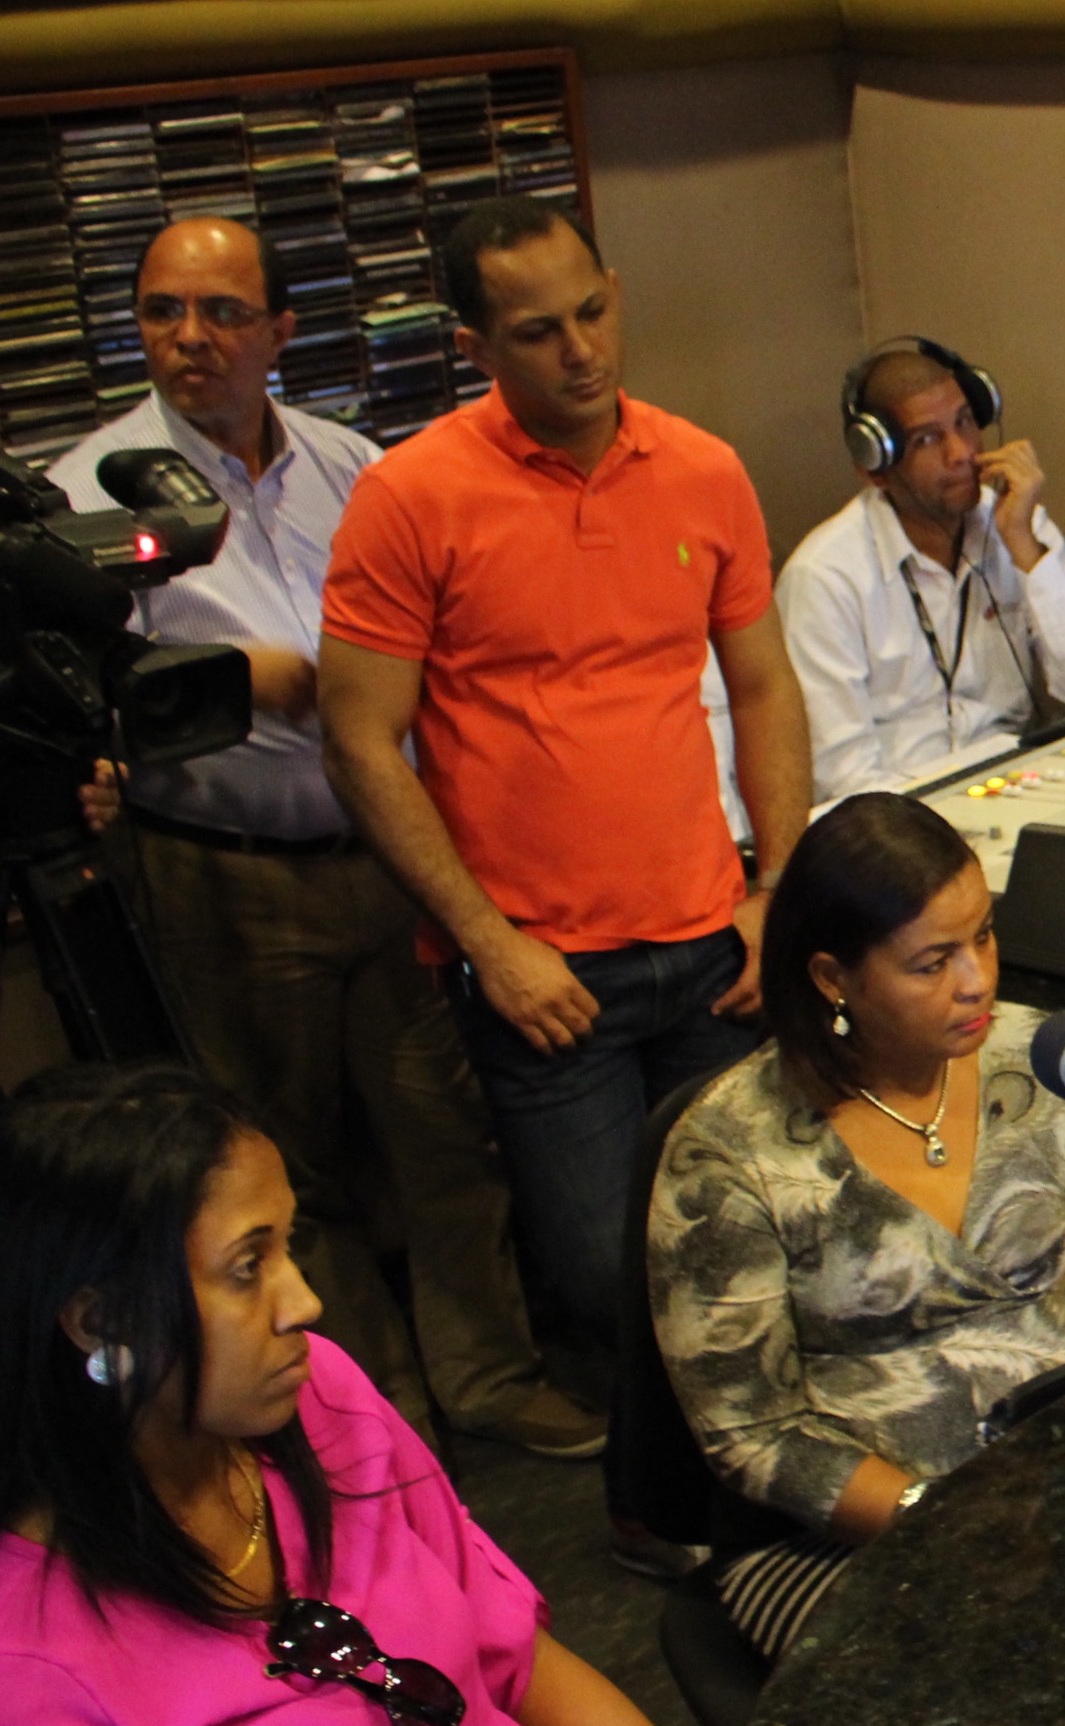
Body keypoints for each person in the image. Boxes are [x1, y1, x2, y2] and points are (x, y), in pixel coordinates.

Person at [46, 215, 597, 1461]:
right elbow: (77, 699)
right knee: (285, 1165)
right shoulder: (90, 493)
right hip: (223, 873)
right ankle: (361, 1419)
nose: (190, 337)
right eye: (162, 312)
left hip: (386, 856)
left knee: (442, 1136)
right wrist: (239, 680)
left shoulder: (352, 464)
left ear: (281, 330)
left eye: (223, 312)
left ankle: (492, 1378)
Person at [0, 1065, 715, 1726]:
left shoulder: (316, 1391)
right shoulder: (0, 1683)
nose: (302, 1302)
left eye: (287, 1246)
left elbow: (509, 1653)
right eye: (246, 1266)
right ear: (99, 1321)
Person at [318, 196, 814, 1386]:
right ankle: (663, 1470)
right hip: (545, 973)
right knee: (605, 1274)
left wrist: (776, 892)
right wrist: (486, 943)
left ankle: (767, 1457)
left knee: (749, 1232)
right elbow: (358, 741)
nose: (581, 350)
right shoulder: (411, 494)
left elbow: (762, 686)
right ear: (474, 346)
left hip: (710, 937)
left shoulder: (701, 467)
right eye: (538, 332)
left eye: (593, 312)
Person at [649, 793, 1065, 1658]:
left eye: (983, 935)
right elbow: (751, 1433)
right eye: (932, 961)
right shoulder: (727, 1153)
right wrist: (941, 1516)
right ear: (833, 978)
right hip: (853, 1527)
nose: (976, 980)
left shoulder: (1045, 1063)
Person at [775, 340, 1065, 807]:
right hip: (906, 821)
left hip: (1022, 791)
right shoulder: (825, 579)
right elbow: (846, 784)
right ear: (875, 466)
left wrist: (1025, 548)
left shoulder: (1015, 524)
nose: (962, 452)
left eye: (964, 422)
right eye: (927, 439)